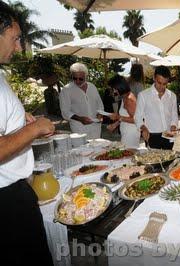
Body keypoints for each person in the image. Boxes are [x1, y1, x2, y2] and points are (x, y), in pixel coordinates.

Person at [0, 3, 55, 265]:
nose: (20, 47)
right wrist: (34, 128)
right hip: (7, 200)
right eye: (16, 38)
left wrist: (22, 125)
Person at [135, 66, 178, 150]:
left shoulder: (172, 96)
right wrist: (143, 128)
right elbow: (137, 117)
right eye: (159, 82)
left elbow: (174, 115)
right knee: (154, 162)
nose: (161, 86)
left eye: (165, 84)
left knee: (168, 161)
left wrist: (173, 126)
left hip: (169, 135)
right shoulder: (143, 95)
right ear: (154, 78)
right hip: (152, 136)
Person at [59, 62, 104, 139]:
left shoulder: (92, 87)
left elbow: (99, 104)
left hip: (95, 126)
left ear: (86, 76)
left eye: (81, 79)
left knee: (98, 148)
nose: (77, 81)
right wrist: (80, 119)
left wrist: (100, 115)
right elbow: (65, 111)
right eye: (75, 78)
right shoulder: (66, 90)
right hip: (79, 127)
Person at [107, 75, 140, 148]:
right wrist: (115, 125)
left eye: (112, 89)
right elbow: (126, 116)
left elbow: (136, 119)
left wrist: (118, 117)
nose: (112, 92)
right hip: (127, 133)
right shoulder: (124, 97)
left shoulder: (129, 99)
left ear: (118, 87)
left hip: (131, 135)